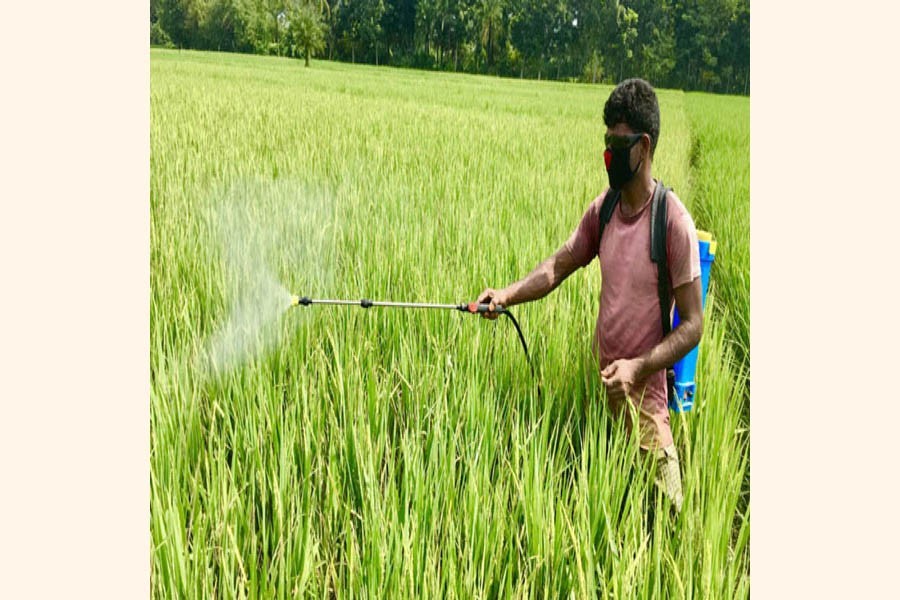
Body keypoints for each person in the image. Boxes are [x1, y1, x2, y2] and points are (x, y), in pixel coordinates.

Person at [475, 78, 703, 514]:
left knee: (668, 518)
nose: (608, 155)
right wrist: (505, 295)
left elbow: (693, 325)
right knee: (609, 514)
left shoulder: (673, 223)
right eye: (606, 142)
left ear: (645, 146)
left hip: (647, 401)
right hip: (604, 395)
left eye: (618, 144)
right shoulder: (605, 209)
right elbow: (557, 266)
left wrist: (638, 367)